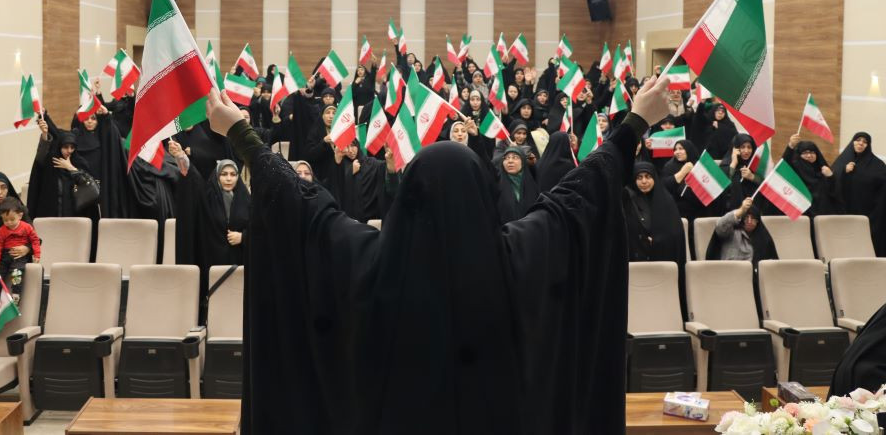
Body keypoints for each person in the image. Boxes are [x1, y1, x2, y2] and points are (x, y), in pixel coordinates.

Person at [204, 72, 673, 434]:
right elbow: (582, 194)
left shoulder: (365, 264)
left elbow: (298, 205)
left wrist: (239, 132)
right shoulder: (522, 257)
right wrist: (635, 123)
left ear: (407, 198)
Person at [173, 142, 251, 306]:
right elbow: (192, 178)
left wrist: (243, 237)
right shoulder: (207, 198)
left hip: (240, 265)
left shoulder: (247, 200)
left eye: (233, 174)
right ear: (217, 176)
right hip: (212, 263)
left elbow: (260, 229)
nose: (228, 178)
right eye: (224, 174)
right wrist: (181, 157)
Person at [28, 115, 99, 223]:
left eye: (72, 147)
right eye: (65, 147)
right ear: (59, 146)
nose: (69, 150)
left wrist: (71, 168)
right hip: (52, 215)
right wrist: (45, 134)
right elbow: (40, 159)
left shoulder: (79, 162)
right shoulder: (52, 162)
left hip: (75, 218)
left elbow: (90, 186)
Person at [623, 162, 687, 266]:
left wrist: (658, 241)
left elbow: (676, 235)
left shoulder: (666, 200)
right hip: (635, 260)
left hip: (662, 260)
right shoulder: (628, 202)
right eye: (639, 177)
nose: (644, 181)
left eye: (648, 177)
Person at [0, 198, 40, 311]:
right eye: (5, 220)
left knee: (17, 274)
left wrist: (36, 254)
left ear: (20, 215)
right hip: (5, 256)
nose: (9, 223)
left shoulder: (26, 227)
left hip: (19, 257)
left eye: (12, 219)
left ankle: (16, 297)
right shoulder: (2, 230)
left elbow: (35, 240)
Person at [705, 198, 778, 265]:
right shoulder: (731, 232)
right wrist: (741, 210)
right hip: (729, 272)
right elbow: (720, 226)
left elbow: (770, 266)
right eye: (746, 217)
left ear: (758, 221)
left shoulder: (763, 238)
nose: (749, 221)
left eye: (753, 218)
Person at [783, 133, 839, 217]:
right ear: (799, 154)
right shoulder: (795, 168)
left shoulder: (823, 169)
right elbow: (784, 167)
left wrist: (831, 177)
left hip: (821, 212)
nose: (809, 155)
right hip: (801, 212)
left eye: (812, 152)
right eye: (805, 153)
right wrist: (790, 145)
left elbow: (834, 192)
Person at [496, 145, 538, 223]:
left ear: (523, 161)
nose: (510, 161)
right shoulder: (496, 185)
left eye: (515, 157)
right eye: (506, 158)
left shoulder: (533, 183)